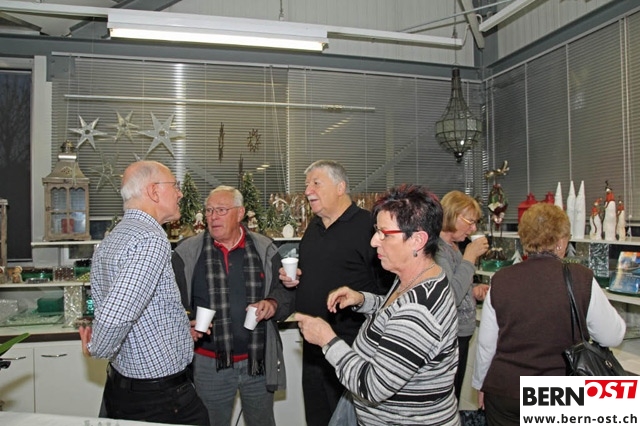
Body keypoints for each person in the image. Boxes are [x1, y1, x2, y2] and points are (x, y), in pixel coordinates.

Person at [294, 184, 459, 425]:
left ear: (417, 240)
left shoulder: (418, 311)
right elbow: (394, 311)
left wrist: (327, 340)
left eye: (385, 234)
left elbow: (371, 387)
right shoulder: (417, 278)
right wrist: (363, 300)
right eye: (375, 231)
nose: (373, 242)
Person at [78, 160, 209, 425]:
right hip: (158, 397)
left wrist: (178, 328)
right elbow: (116, 313)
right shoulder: (151, 239)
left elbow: (138, 310)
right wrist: (97, 347)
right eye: (175, 186)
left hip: (126, 386)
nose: (180, 193)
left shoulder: (114, 238)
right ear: (154, 191)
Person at [472, 203, 626, 425]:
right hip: (557, 394)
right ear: (561, 242)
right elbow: (612, 336)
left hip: (505, 391)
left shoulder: (501, 280)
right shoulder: (580, 277)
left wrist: (481, 384)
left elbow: (487, 345)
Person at [279, 160, 390, 426]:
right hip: (313, 349)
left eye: (316, 183)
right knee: (317, 419)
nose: (308, 191)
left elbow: (387, 293)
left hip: (353, 350)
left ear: (340, 187)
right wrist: (294, 280)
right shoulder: (314, 228)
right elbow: (317, 274)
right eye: (307, 184)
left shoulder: (368, 227)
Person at [172, 185, 295, 426]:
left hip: (257, 362)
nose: (212, 217)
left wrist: (272, 303)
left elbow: (286, 292)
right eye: (209, 210)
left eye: (221, 210)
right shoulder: (187, 252)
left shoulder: (265, 249)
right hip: (208, 365)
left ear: (240, 213)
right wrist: (185, 322)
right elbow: (171, 303)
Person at [436, 190, 490, 403]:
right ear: (452, 215)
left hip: (461, 331)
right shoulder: (438, 251)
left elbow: (456, 283)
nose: (473, 228)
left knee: (455, 393)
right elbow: (450, 297)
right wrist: (470, 257)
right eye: (470, 221)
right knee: (449, 397)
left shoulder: (453, 247)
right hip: (450, 335)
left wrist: (473, 290)